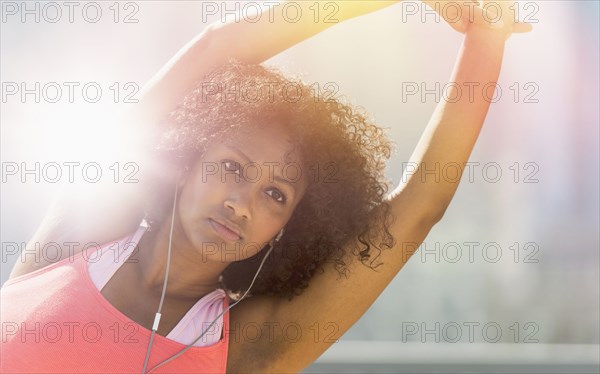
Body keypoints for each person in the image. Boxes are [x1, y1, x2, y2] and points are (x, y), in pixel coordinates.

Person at [1, 1, 532, 372]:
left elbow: (418, 207)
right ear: (187, 158)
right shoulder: (79, 236)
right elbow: (213, 49)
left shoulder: (246, 348)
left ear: (286, 230)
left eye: (276, 195)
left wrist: (486, 36)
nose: (241, 202)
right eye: (231, 167)